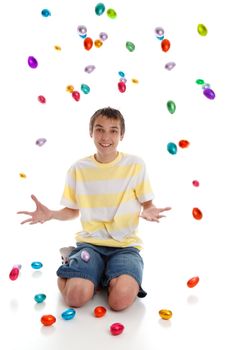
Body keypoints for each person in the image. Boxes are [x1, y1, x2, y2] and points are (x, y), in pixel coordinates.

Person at [18, 107, 171, 311]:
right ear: (91, 133)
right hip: (90, 245)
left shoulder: (135, 165)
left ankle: (101, 275)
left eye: (113, 130)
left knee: (120, 301)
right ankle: (76, 262)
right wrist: (51, 214)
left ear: (121, 135)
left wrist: (149, 209)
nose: (105, 136)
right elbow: (72, 211)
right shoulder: (78, 169)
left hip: (125, 246)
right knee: (75, 298)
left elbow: (147, 202)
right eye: (99, 129)